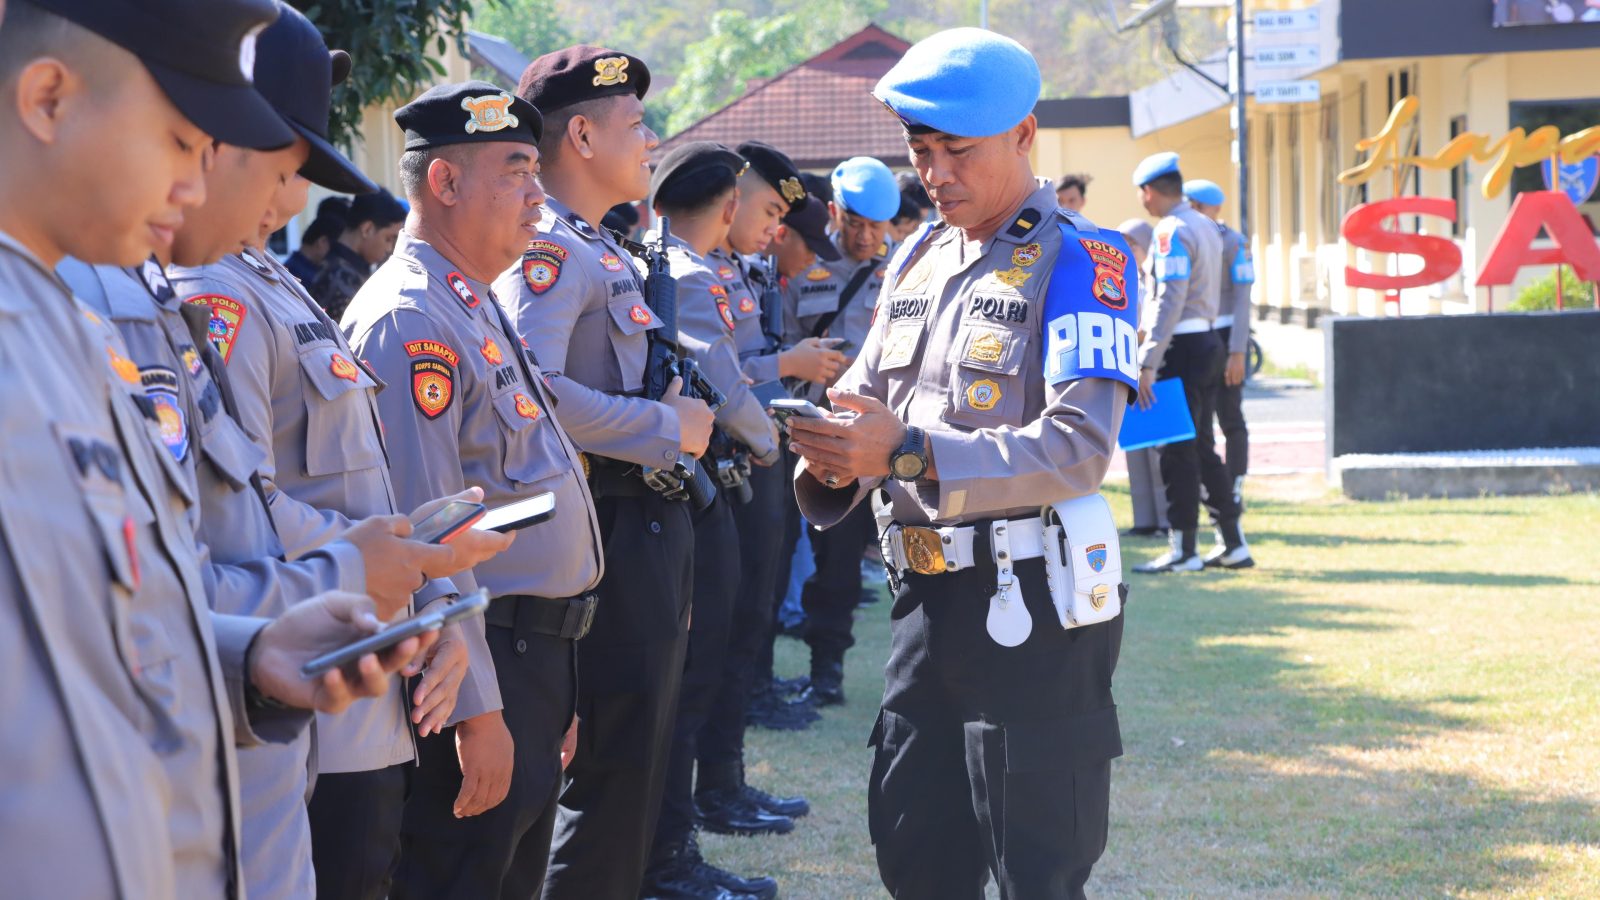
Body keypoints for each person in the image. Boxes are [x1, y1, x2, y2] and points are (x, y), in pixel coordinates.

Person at [57, 8, 502, 896]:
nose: (294, 197)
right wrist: (362, 571)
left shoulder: (215, 278)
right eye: (186, 141)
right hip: (207, 764)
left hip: (279, 713)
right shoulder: (131, 291)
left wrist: (405, 580)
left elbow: (232, 514)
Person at [785, 27, 1135, 899]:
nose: (935, 171)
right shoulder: (917, 254)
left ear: (1024, 135)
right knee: (916, 856)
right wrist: (835, 455)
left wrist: (904, 450)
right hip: (922, 604)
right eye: (921, 148)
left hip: (1033, 609)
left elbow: (1080, 449)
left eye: (958, 150)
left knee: (1036, 871)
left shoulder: (1083, 260)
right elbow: (864, 401)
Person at [343, 80, 604, 900]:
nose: (539, 195)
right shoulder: (410, 319)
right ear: (444, 184)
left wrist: (549, 690)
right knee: (458, 878)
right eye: (517, 171)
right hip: (478, 668)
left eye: (537, 172)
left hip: (532, 659)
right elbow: (428, 537)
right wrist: (477, 712)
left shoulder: (472, 302)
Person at [494, 45, 716, 900]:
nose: (651, 138)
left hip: (643, 520)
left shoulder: (598, 243)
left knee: (636, 770)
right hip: (609, 523)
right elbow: (535, 388)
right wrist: (664, 425)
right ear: (580, 134)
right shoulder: (550, 247)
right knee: (609, 776)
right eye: (634, 124)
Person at [643, 141, 787, 900]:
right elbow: (727, 380)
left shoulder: (686, 268)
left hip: (702, 477)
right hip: (700, 480)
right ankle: (672, 849)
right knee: (693, 672)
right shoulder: (684, 274)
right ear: (729, 206)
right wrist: (769, 440)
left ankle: (684, 834)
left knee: (710, 660)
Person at [694, 140, 836, 839]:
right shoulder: (690, 272)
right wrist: (790, 359)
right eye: (769, 208)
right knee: (726, 631)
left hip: (764, 458)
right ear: (731, 191)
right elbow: (716, 372)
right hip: (730, 466)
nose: (776, 227)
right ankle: (715, 790)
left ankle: (728, 781)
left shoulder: (732, 268)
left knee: (750, 621)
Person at [785, 154, 900, 708]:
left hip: (876, 443)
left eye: (878, 227)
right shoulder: (801, 265)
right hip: (812, 437)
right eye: (856, 223)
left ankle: (852, 669)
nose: (867, 237)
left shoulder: (904, 272)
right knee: (818, 559)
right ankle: (819, 670)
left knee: (855, 563)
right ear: (835, 211)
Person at [748, 192, 843, 733]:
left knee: (774, 567)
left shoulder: (769, 276)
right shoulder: (750, 275)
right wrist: (792, 361)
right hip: (752, 448)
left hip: (775, 441)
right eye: (809, 250)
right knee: (759, 575)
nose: (813, 265)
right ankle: (752, 693)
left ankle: (759, 683)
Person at [1128, 153, 1249, 573]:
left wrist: (1147, 360)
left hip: (1180, 347)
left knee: (1175, 451)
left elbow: (1169, 298)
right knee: (1201, 447)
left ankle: (1184, 549)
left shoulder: (1171, 230)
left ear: (1150, 191)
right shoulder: (1206, 225)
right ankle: (1232, 541)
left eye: (1142, 194)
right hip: (1209, 341)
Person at [1184, 178, 1255, 550]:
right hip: (1205, 337)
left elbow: (1243, 299)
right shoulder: (1192, 236)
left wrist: (1239, 350)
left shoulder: (1232, 241)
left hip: (1228, 335)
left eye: (1196, 205)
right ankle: (1216, 491)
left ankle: (1236, 482)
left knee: (1231, 415)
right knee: (1203, 427)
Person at [1116, 217, 1169, 539]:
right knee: (1136, 447)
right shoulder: (1121, 280)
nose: (1128, 250)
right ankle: (1144, 519)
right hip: (1128, 370)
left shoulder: (1155, 281)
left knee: (1159, 448)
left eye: (1133, 243)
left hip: (1152, 368)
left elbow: (1152, 327)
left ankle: (1165, 518)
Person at [309, 187, 406, 321]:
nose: (389, 248)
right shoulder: (341, 280)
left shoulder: (334, 267)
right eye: (388, 239)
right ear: (367, 229)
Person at [285, 210, 345, 284]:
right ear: (323, 242)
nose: (336, 255)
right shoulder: (306, 277)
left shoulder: (292, 267)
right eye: (336, 248)